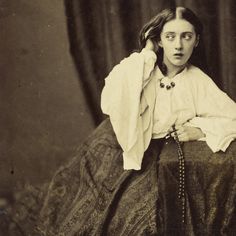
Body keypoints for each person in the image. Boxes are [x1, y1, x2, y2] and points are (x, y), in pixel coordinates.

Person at [3, 6, 236, 236]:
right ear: (159, 40)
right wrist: (147, 52)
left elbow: (232, 116)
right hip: (119, 148)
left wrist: (200, 129)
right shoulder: (139, 69)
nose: (178, 45)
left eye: (186, 37)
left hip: (161, 155)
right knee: (92, 212)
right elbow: (112, 95)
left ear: (196, 41)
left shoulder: (197, 80)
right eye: (170, 36)